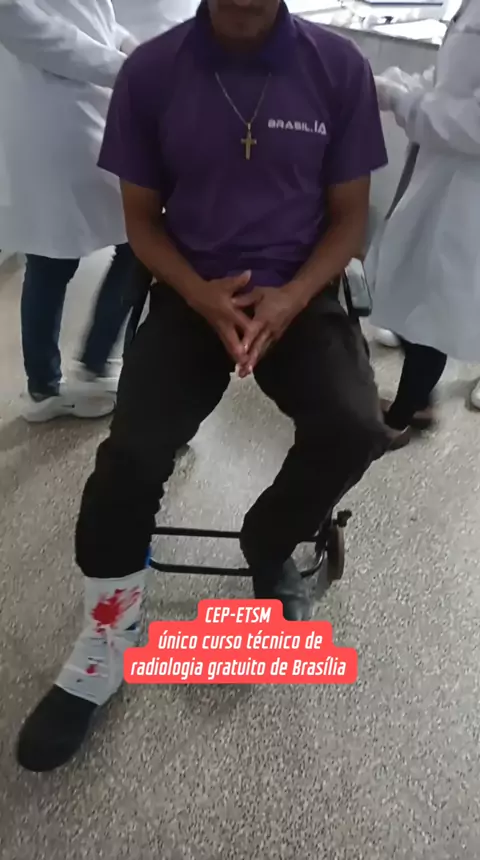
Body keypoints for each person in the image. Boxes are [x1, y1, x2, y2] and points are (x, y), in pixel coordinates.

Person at [16, 0, 389, 772]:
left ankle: (268, 540)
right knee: (130, 456)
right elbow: (142, 222)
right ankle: (107, 637)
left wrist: (289, 299)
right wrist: (201, 295)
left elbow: (349, 220)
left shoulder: (338, 68)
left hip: (300, 293)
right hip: (191, 292)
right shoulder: (151, 72)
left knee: (355, 427)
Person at [0, 0, 142, 422]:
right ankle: (50, 384)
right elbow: (41, 35)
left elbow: (98, 20)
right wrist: (130, 69)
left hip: (92, 113)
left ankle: (87, 365)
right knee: (57, 257)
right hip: (55, 122)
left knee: (135, 243)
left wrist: (137, 51)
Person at [365, 0, 480, 447]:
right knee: (423, 286)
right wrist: (402, 84)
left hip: (467, 183)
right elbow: (453, 78)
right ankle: (418, 399)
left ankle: (404, 415)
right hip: (444, 172)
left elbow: (474, 122)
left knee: (437, 299)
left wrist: (404, 102)